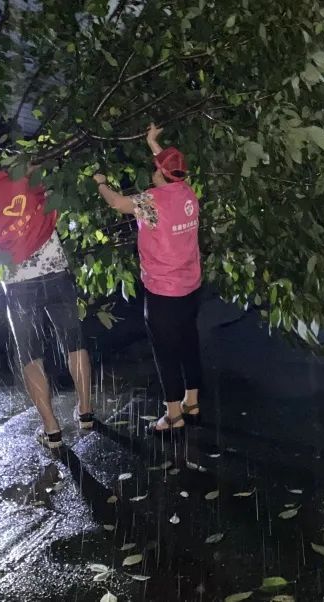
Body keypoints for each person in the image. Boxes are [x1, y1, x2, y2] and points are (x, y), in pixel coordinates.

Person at [0, 133, 94, 449]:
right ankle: (85, 412)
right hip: (56, 271)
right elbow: (50, 175)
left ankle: (52, 430)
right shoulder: (24, 175)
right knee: (74, 343)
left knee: (31, 355)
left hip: (19, 286)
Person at [94, 124, 202, 432]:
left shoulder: (151, 201)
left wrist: (101, 183)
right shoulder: (187, 193)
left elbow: (117, 203)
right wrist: (154, 144)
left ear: (159, 173)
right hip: (190, 287)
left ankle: (173, 415)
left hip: (163, 292)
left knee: (166, 352)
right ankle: (191, 402)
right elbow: (171, 168)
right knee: (189, 344)